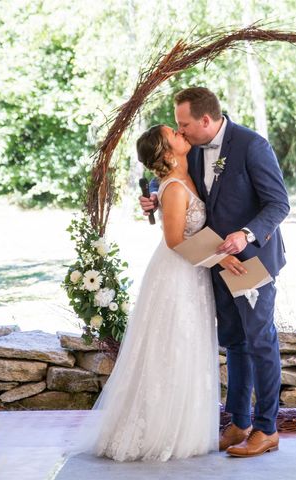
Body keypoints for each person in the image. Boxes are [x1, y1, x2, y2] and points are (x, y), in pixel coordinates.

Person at [78, 124, 242, 462]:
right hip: (177, 274)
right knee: (172, 345)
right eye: (175, 134)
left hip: (193, 273)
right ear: (168, 152)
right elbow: (174, 239)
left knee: (189, 345)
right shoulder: (174, 188)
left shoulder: (188, 166)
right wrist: (220, 257)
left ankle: (187, 428)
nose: (183, 134)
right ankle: (159, 431)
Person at [141, 87, 290, 457]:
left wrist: (246, 234)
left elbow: (279, 203)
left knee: (259, 339)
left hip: (250, 260)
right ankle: (238, 421)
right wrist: (150, 195)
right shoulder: (189, 150)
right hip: (210, 261)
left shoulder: (252, 146)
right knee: (234, 341)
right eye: (178, 126)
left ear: (205, 120)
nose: (182, 131)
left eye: (184, 124)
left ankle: (267, 429)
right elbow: (166, 178)